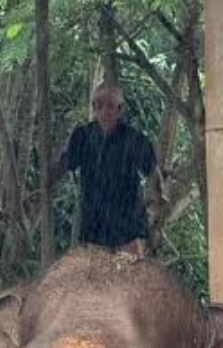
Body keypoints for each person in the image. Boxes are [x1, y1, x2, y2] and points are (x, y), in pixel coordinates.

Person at [54, 83, 158, 256]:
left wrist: (154, 204)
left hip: (128, 225)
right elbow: (67, 164)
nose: (104, 111)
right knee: (97, 278)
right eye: (99, 105)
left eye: (110, 105)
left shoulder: (135, 139)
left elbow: (152, 171)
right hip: (95, 225)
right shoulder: (82, 136)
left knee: (132, 277)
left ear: (120, 109)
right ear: (93, 108)